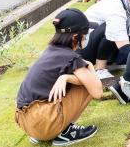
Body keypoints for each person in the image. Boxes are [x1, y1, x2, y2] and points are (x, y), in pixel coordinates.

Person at [15, 8, 102, 145]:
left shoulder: (51, 51)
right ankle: (66, 132)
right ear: (75, 37)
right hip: (44, 122)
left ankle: (45, 132)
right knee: (88, 84)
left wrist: (66, 77)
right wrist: (90, 65)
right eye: (85, 34)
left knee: (77, 80)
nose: (86, 37)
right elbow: (97, 91)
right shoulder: (70, 57)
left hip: (25, 122)